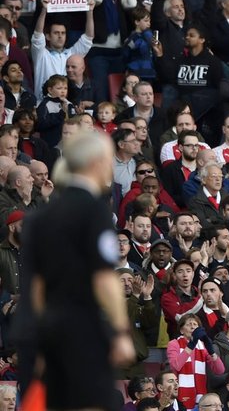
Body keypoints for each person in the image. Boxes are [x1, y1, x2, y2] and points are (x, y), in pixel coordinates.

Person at [18, 129, 135, 410]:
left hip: (42, 332)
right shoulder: (93, 211)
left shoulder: (38, 216)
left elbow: (34, 285)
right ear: (96, 163)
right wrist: (120, 332)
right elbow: (104, 277)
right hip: (81, 329)